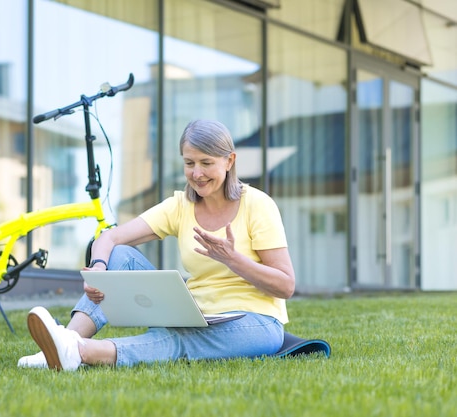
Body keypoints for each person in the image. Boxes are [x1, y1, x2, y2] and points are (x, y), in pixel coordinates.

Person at [18, 119, 295, 371]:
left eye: (206, 162)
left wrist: (233, 259)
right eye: (189, 163)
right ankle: (67, 340)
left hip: (254, 322)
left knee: (177, 340)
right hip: (194, 314)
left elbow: (285, 286)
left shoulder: (257, 205)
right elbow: (110, 238)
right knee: (122, 255)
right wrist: (99, 270)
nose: (197, 173)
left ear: (229, 161)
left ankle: (77, 350)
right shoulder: (181, 205)